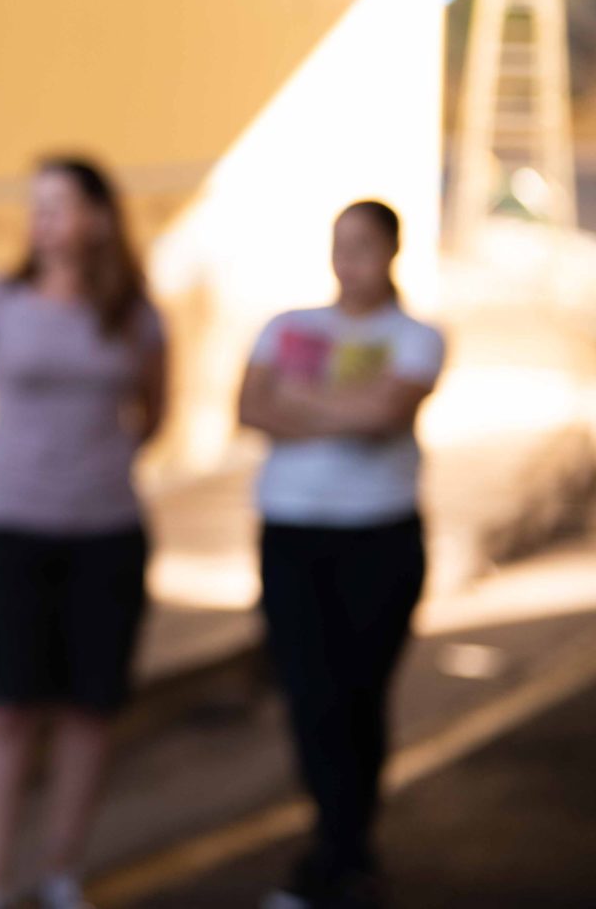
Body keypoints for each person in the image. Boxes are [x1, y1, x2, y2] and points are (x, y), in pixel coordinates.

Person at [0, 156, 169, 909]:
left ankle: (61, 868)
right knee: (6, 708)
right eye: (34, 206)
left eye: (58, 205)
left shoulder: (136, 313)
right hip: (12, 529)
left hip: (107, 534)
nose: (41, 219)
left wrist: (97, 469)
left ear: (99, 218)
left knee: (88, 710)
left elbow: (156, 409)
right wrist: (5, 467)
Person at [237, 201, 444, 909]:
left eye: (361, 246)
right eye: (338, 245)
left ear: (391, 251)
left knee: (357, 693)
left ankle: (343, 847)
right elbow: (251, 407)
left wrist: (305, 401)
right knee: (308, 691)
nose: (347, 260)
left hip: (379, 536)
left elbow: (386, 415)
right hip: (293, 533)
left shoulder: (416, 335)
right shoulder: (289, 325)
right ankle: (339, 846)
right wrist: (344, 405)